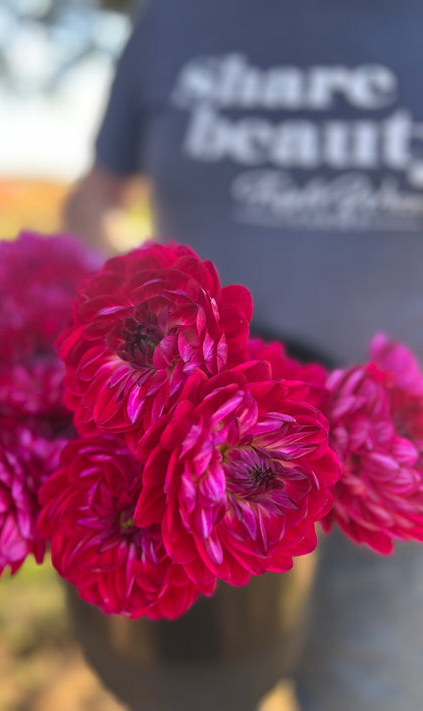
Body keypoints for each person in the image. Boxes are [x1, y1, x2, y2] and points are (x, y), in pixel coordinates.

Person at [66, 1, 423, 708]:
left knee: (369, 687)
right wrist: (115, 291)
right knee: (196, 694)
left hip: (387, 466)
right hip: (184, 477)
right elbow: (94, 195)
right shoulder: (174, 21)